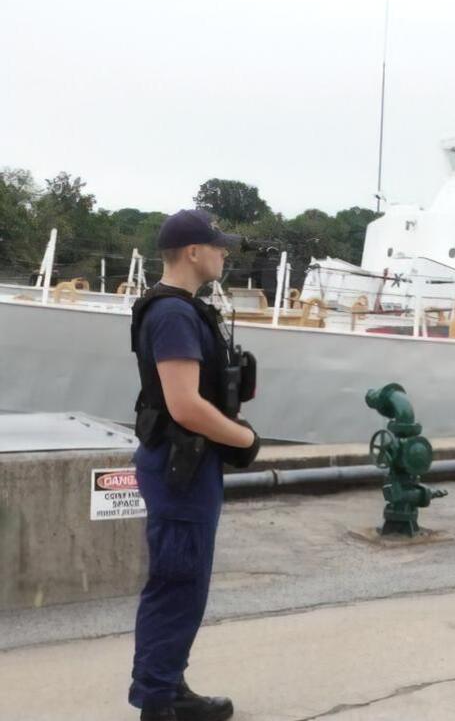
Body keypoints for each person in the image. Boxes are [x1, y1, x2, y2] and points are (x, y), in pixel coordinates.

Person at [128, 210, 261, 721]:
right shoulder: (175, 315)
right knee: (177, 585)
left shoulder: (177, 309)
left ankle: (167, 687)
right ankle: (159, 704)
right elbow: (182, 405)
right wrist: (245, 440)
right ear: (192, 252)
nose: (224, 253)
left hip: (184, 464)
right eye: (218, 246)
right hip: (180, 469)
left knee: (183, 586)